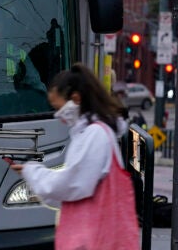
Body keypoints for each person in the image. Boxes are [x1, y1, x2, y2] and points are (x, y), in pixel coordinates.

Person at [10, 63, 138, 249]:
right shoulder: (89, 133)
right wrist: (32, 174)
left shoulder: (95, 134)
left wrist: (33, 172)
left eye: (59, 108)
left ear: (76, 99)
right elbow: (70, 189)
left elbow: (73, 183)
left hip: (96, 240)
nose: (58, 116)